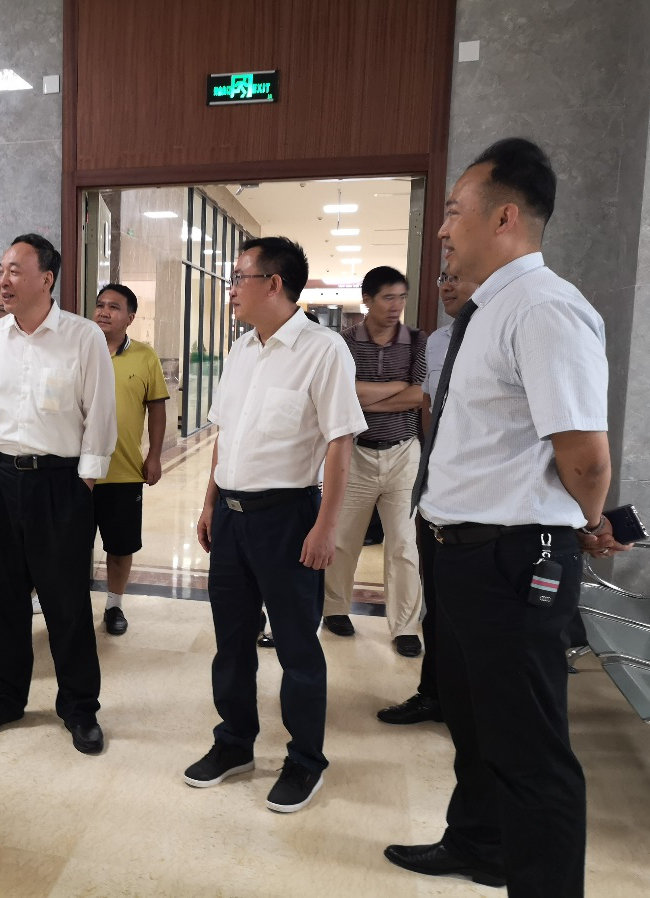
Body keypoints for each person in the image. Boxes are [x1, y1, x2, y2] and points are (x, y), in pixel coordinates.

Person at [384, 138, 625, 896]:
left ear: (505, 217)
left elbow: (585, 456)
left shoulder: (546, 309)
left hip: (512, 560)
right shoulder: (487, 310)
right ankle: (479, 844)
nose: (442, 229)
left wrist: (587, 520)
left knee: (528, 751)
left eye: (454, 211)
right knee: (472, 722)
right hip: (459, 552)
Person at [183, 236, 366, 814]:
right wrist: (210, 503)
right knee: (231, 641)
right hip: (232, 519)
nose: (231, 288)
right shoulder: (240, 351)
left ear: (274, 284)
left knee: (296, 646)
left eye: (239, 277)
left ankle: (305, 760)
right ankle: (234, 742)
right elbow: (225, 437)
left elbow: (340, 443)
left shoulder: (324, 350)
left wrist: (326, 527)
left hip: (288, 519)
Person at [0, 233, 116, 754]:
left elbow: (100, 414)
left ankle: (79, 707)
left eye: (15, 271)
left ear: (46, 279)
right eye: (1, 269)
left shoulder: (82, 336)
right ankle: (4, 698)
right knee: (0, 599)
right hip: (0, 480)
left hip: (60, 483)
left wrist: (83, 482)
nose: (3, 281)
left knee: (66, 602)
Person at [377, 265, 474, 725]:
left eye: (458, 275)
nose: (447, 286)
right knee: (439, 606)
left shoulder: (522, 324)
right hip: (439, 490)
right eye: (442, 278)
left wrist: (590, 519)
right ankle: (433, 693)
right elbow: (428, 406)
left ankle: (472, 713)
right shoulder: (438, 342)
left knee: (477, 621)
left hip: (492, 505)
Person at [322, 267, 426, 656]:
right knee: (343, 539)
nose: (396, 305)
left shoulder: (417, 341)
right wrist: (397, 389)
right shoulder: (345, 342)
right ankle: (334, 609)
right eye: (388, 297)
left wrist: (365, 399)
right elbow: (340, 394)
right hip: (356, 452)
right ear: (367, 300)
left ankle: (405, 626)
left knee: (404, 544)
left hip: (404, 453)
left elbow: (420, 396)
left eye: (401, 297)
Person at [91, 283, 169, 635]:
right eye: (100, 305)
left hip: (123, 471)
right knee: (68, 544)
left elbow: (157, 410)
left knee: (120, 546)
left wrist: (154, 456)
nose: (104, 312)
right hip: (76, 472)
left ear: (130, 317)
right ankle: (66, 604)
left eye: (114, 307)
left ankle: (114, 605)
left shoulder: (145, 356)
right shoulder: (81, 349)